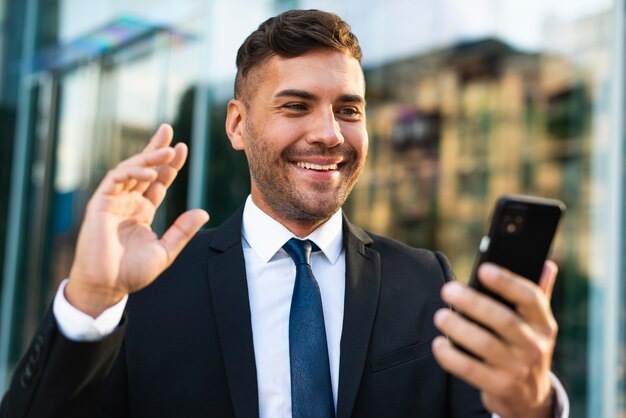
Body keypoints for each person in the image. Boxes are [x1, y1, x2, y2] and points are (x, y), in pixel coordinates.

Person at [1, 9, 568, 418]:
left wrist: (531, 406)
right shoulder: (149, 287)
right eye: (296, 106)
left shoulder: (426, 281)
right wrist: (93, 300)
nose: (328, 134)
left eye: (348, 110)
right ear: (237, 124)